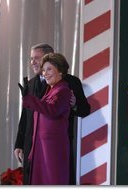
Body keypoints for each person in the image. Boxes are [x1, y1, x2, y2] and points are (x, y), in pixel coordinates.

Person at [14, 43, 90, 184]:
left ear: (50, 57)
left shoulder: (69, 83)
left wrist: (74, 105)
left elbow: (84, 109)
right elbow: (25, 117)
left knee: (55, 179)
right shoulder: (30, 84)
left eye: (37, 58)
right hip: (32, 144)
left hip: (55, 145)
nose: (33, 62)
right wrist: (19, 143)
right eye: (31, 59)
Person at [18, 52, 72, 184]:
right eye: (43, 70)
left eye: (49, 69)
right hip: (42, 148)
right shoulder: (50, 91)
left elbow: (53, 110)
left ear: (60, 70)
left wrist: (30, 99)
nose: (45, 73)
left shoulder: (63, 90)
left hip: (53, 149)